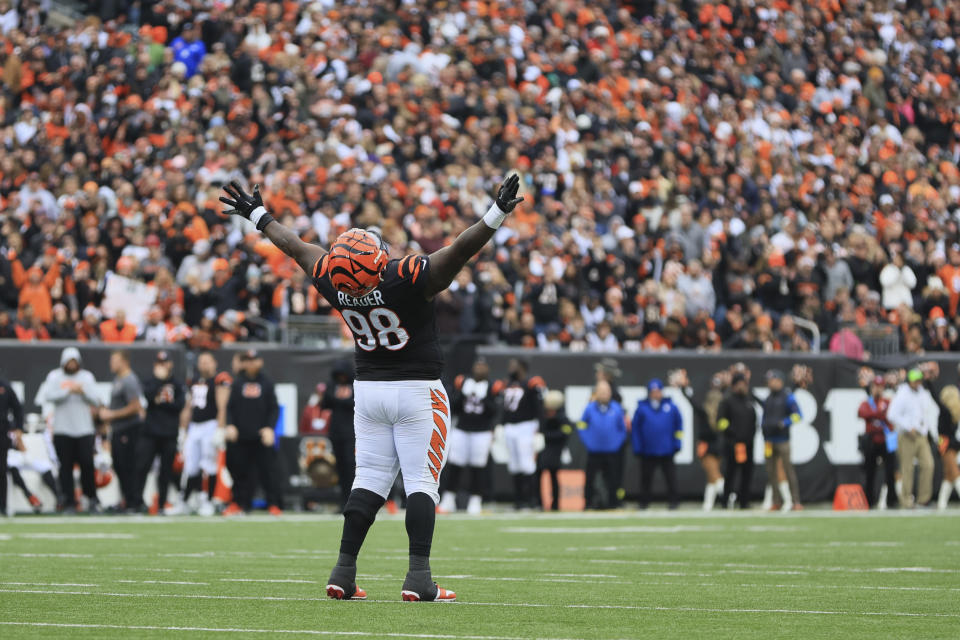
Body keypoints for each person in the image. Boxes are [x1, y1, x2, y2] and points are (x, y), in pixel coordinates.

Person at [219, 172, 524, 602]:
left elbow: (296, 248)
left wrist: (258, 215)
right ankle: (419, 577)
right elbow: (460, 250)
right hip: (419, 389)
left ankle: (343, 571)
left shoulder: (332, 279)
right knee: (421, 482)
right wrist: (497, 213)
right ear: (378, 260)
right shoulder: (406, 276)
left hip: (370, 391)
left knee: (369, 479)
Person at [40, 347, 102, 513]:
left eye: (74, 361)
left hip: (84, 429)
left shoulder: (87, 377)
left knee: (87, 465)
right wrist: (68, 390)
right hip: (62, 429)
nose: (72, 364)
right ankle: (68, 501)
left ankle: (91, 498)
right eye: (69, 361)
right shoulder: (55, 377)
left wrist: (82, 391)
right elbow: (47, 396)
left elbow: (97, 400)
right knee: (65, 467)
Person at [224, 349, 283, 516]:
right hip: (241, 435)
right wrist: (230, 425)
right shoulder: (237, 383)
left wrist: (270, 428)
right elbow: (230, 408)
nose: (250, 363)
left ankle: (273, 504)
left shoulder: (267, 383)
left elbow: (274, 408)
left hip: (261, 435)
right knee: (239, 471)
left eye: (253, 360)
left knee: (268, 472)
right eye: (247, 360)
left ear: (260, 362)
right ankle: (239, 503)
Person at [439, 359, 498, 515]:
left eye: (482, 367)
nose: (479, 369)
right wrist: (462, 394)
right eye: (477, 366)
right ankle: (448, 499)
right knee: (455, 465)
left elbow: (494, 412)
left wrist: (484, 397)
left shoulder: (492, 386)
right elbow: (454, 407)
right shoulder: (464, 382)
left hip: (482, 431)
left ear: (487, 370)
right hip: (462, 429)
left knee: (477, 467)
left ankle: (476, 500)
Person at [133, 351, 187, 514]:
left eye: (165, 363)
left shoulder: (177, 384)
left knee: (166, 471)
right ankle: (136, 502)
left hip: (169, 433)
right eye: (159, 363)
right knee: (142, 467)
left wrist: (161, 402)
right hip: (150, 433)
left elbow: (179, 405)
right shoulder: (150, 381)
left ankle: (162, 503)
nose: (162, 366)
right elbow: (148, 397)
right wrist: (159, 381)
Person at [181, 351, 232, 516]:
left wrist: (220, 428)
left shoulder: (219, 380)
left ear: (214, 363)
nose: (204, 365)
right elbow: (188, 406)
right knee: (191, 465)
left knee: (208, 464)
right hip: (195, 426)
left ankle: (208, 500)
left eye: (207, 362)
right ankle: (187, 500)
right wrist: (183, 429)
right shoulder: (194, 381)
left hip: (210, 424)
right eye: (201, 362)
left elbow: (222, 406)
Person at [98, 350, 143, 512]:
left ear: (124, 361)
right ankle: (126, 499)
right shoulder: (119, 379)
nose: (111, 363)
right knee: (120, 465)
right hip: (118, 429)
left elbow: (135, 406)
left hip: (128, 429)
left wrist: (112, 414)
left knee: (127, 465)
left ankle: (133, 501)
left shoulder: (129, 380)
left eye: (114, 360)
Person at [500, 358, 546, 510]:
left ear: (522, 367)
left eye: (514, 365)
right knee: (514, 465)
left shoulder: (531, 383)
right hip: (510, 427)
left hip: (526, 426)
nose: (510, 367)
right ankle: (519, 500)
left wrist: (540, 430)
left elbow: (539, 407)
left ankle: (532, 500)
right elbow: (505, 408)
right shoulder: (507, 383)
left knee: (527, 464)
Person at [674, 369, 724, 510]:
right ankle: (708, 504)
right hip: (718, 445)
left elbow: (691, 400)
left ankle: (729, 497)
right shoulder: (721, 412)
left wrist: (684, 388)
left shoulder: (704, 412)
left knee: (714, 476)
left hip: (707, 446)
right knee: (711, 477)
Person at [887, 368, 936, 508]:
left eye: (919, 380)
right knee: (907, 468)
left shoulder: (922, 393)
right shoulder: (902, 394)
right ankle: (906, 500)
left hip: (921, 435)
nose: (918, 382)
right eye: (915, 380)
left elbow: (925, 413)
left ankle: (923, 499)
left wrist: (926, 429)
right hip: (906, 436)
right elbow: (892, 414)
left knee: (928, 465)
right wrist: (908, 427)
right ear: (909, 381)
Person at [631, 379, 683, 509]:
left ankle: (674, 501)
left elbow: (679, 426)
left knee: (671, 478)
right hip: (648, 450)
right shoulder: (642, 408)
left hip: (667, 449)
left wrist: (677, 443)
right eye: (653, 391)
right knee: (646, 479)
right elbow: (635, 429)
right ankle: (644, 502)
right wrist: (638, 446)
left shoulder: (671, 407)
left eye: (658, 391)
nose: (655, 394)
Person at [578, 380, 627, 509]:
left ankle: (613, 503)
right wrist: (589, 441)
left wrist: (616, 443)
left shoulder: (616, 408)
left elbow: (622, 429)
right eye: (601, 391)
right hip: (594, 451)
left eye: (606, 391)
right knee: (590, 478)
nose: (604, 394)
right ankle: (588, 503)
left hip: (612, 451)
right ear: (596, 393)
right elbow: (582, 426)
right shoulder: (589, 408)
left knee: (613, 478)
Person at [760, 369, 803, 511]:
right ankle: (776, 500)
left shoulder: (787, 397)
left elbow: (798, 415)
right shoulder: (768, 398)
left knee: (788, 470)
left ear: (779, 381)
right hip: (768, 440)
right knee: (771, 472)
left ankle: (796, 501)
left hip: (783, 439)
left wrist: (784, 423)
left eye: (772, 380)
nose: (770, 383)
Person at [716, 372, 757, 509]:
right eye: (739, 383)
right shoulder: (727, 401)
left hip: (748, 444)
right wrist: (733, 434)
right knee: (730, 474)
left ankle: (744, 502)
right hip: (732, 444)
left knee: (747, 474)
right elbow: (721, 422)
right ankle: (725, 501)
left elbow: (753, 421)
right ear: (734, 385)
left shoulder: (749, 400)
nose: (742, 386)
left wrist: (750, 436)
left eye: (744, 384)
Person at [322, 360, 357, 509]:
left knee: (351, 466)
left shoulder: (356, 384)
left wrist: (337, 401)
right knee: (341, 467)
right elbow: (325, 403)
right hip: (336, 432)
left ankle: (354, 500)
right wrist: (342, 402)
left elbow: (356, 402)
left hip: (352, 432)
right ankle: (343, 501)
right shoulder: (332, 384)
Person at [858, 376, 898, 509]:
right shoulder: (867, 402)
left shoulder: (887, 401)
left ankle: (892, 501)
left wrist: (876, 414)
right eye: (875, 386)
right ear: (872, 387)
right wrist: (879, 413)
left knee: (890, 472)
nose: (878, 389)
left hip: (886, 440)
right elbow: (862, 413)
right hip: (872, 440)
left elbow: (891, 416)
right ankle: (869, 501)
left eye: (880, 386)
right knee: (870, 472)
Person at [7, 425, 60, 513]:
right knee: (12, 467)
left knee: (45, 466)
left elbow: (22, 448)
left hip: (17, 455)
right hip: (7, 458)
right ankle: (29, 495)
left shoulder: (13, 426)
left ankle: (59, 497)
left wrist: (20, 442)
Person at [539, 389, 572, 511]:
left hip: (555, 451)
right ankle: (538, 502)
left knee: (554, 477)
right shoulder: (542, 415)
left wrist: (546, 436)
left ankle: (556, 504)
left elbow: (566, 432)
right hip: (542, 450)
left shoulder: (562, 417)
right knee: (537, 476)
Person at [0, 375, 24, 516]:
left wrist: (19, 428)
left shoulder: (5, 386)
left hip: (1, 433)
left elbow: (17, 408)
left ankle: (2, 506)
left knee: (1, 471)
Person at [936, 385, 960, 510]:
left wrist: (928, 382)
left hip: (945, 443)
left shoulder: (945, 411)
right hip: (953, 443)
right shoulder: (955, 412)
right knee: (948, 474)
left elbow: (934, 397)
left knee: (954, 472)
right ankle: (941, 503)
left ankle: (941, 503)